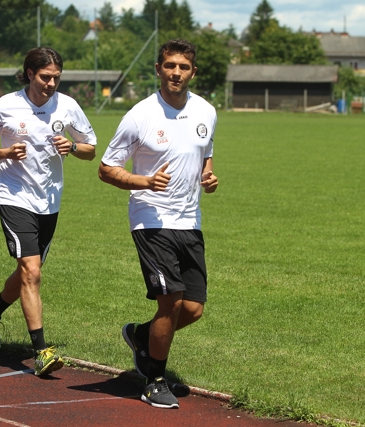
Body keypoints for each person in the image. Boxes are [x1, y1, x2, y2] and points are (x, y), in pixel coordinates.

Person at [98, 39, 218, 408]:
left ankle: (141, 335)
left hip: (190, 220)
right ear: (158, 69)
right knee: (171, 301)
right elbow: (106, 169)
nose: (176, 73)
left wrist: (209, 176)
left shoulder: (207, 112)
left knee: (193, 308)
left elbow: (205, 156)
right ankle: (154, 379)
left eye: (183, 67)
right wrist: (142, 181)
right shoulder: (139, 116)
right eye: (169, 66)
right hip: (151, 219)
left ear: (192, 72)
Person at [0, 47, 97, 376]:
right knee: (32, 272)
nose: (51, 83)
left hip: (49, 201)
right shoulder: (6, 106)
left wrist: (75, 147)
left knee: (29, 272)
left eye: (56, 77)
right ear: (29, 74)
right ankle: (41, 351)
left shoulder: (68, 106)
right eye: (45, 77)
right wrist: (4, 152)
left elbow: (91, 149)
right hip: (14, 197)